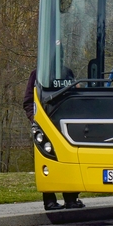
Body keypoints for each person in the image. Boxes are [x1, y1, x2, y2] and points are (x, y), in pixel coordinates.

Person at [23, 70, 83, 210]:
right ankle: (49, 200)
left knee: (68, 159)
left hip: (65, 122)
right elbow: (28, 101)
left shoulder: (67, 73)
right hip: (47, 123)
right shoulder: (37, 74)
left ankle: (71, 198)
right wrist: (36, 119)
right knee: (48, 158)